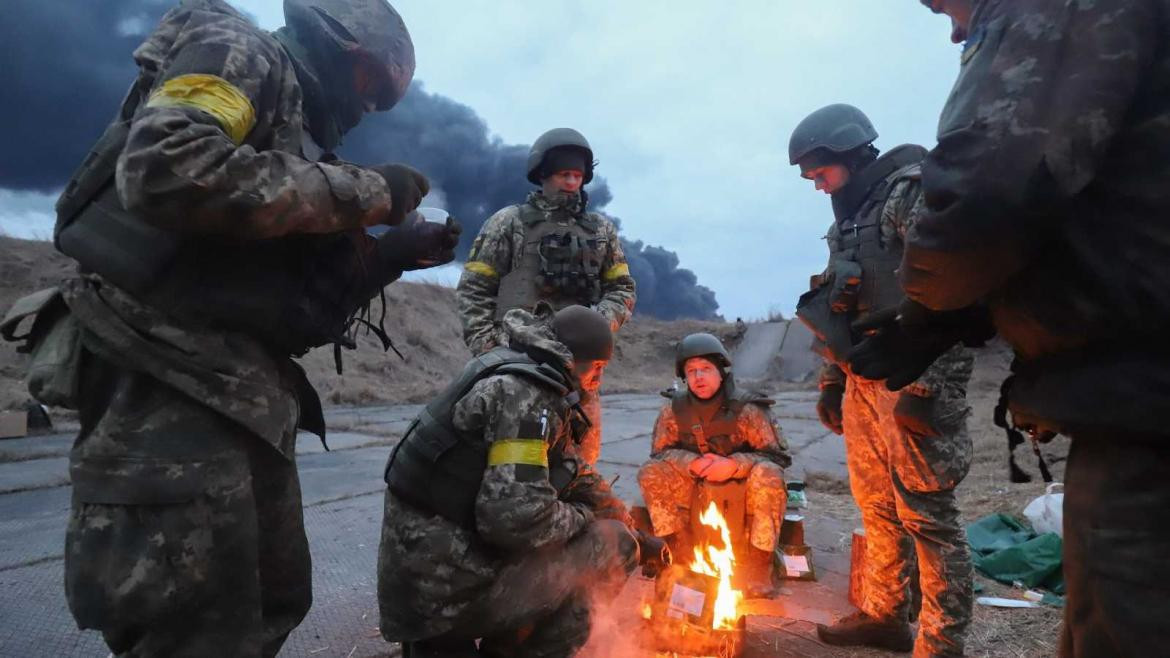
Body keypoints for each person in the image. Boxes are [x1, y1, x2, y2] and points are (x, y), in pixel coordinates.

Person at [31, 1, 459, 655]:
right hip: (163, 378)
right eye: (371, 87)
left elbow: (289, 304)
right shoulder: (241, 52)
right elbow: (166, 164)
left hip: (238, 395)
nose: (365, 108)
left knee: (267, 604)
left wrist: (395, 254)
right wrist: (367, 191)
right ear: (342, 47)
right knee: (195, 626)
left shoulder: (297, 141)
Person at [847, 2, 1170, 655]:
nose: (957, 30)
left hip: (1150, 400)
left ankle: (940, 638)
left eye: (947, 7)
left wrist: (934, 305)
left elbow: (996, 179)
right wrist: (960, 310)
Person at [790, 104, 974, 656]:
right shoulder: (843, 225)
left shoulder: (909, 195)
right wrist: (831, 380)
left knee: (928, 515)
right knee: (876, 507)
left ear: (848, 155)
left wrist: (928, 390)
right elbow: (836, 308)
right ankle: (886, 615)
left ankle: (940, 642)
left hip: (914, 380)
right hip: (862, 385)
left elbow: (950, 297)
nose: (818, 187)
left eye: (820, 174)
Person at [378, 304, 638, 658]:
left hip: (421, 582)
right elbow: (516, 520)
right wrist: (588, 518)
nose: (598, 380)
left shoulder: (511, 364)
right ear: (578, 361)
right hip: (446, 597)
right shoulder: (528, 398)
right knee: (615, 544)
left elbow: (569, 466)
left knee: (616, 529)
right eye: (598, 369)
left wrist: (622, 514)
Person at [455, 128, 637, 465]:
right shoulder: (508, 224)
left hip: (579, 373)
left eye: (577, 176)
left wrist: (598, 324)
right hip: (518, 363)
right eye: (563, 174)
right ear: (542, 175)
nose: (571, 182)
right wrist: (488, 344)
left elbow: (622, 289)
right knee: (513, 463)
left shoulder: (601, 231)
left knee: (579, 469)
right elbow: (474, 288)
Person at [637, 333, 790, 596]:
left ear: (721, 372)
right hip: (694, 483)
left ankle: (758, 567)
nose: (699, 377)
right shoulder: (673, 411)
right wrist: (690, 462)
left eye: (706, 369)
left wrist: (734, 465)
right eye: (692, 371)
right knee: (650, 473)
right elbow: (660, 454)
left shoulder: (749, 410)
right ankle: (680, 558)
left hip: (741, 485)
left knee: (770, 474)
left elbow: (778, 458)